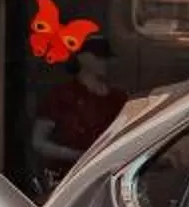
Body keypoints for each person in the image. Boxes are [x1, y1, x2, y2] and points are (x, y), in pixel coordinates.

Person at [29, 47, 129, 188]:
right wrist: (77, 156)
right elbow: (38, 142)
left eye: (105, 57)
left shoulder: (118, 98)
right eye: (98, 57)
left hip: (107, 177)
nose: (104, 62)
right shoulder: (61, 95)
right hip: (66, 178)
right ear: (81, 58)